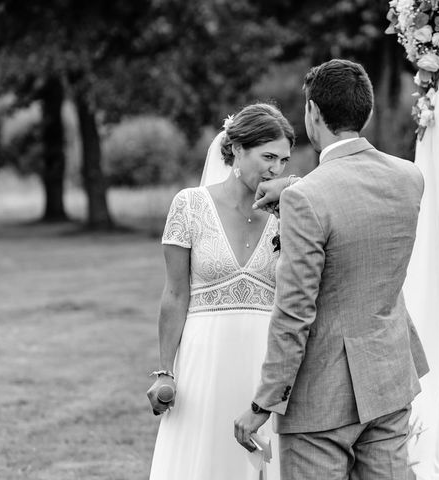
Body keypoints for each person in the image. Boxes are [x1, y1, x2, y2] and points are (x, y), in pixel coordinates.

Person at [234, 59, 429, 479]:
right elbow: (353, 205)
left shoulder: (307, 199)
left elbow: (294, 312)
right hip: (389, 382)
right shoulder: (410, 178)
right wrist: (291, 189)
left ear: (312, 113)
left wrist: (262, 404)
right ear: (367, 111)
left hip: (321, 400)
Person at [147, 103, 295, 480]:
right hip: (205, 362)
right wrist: (166, 371)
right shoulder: (189, 205)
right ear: (237, 150)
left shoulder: (292, 213)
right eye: (267, 157)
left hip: (264, 362)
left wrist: (291, 208)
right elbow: (175, 294)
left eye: (283, 159)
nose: (275, 169)